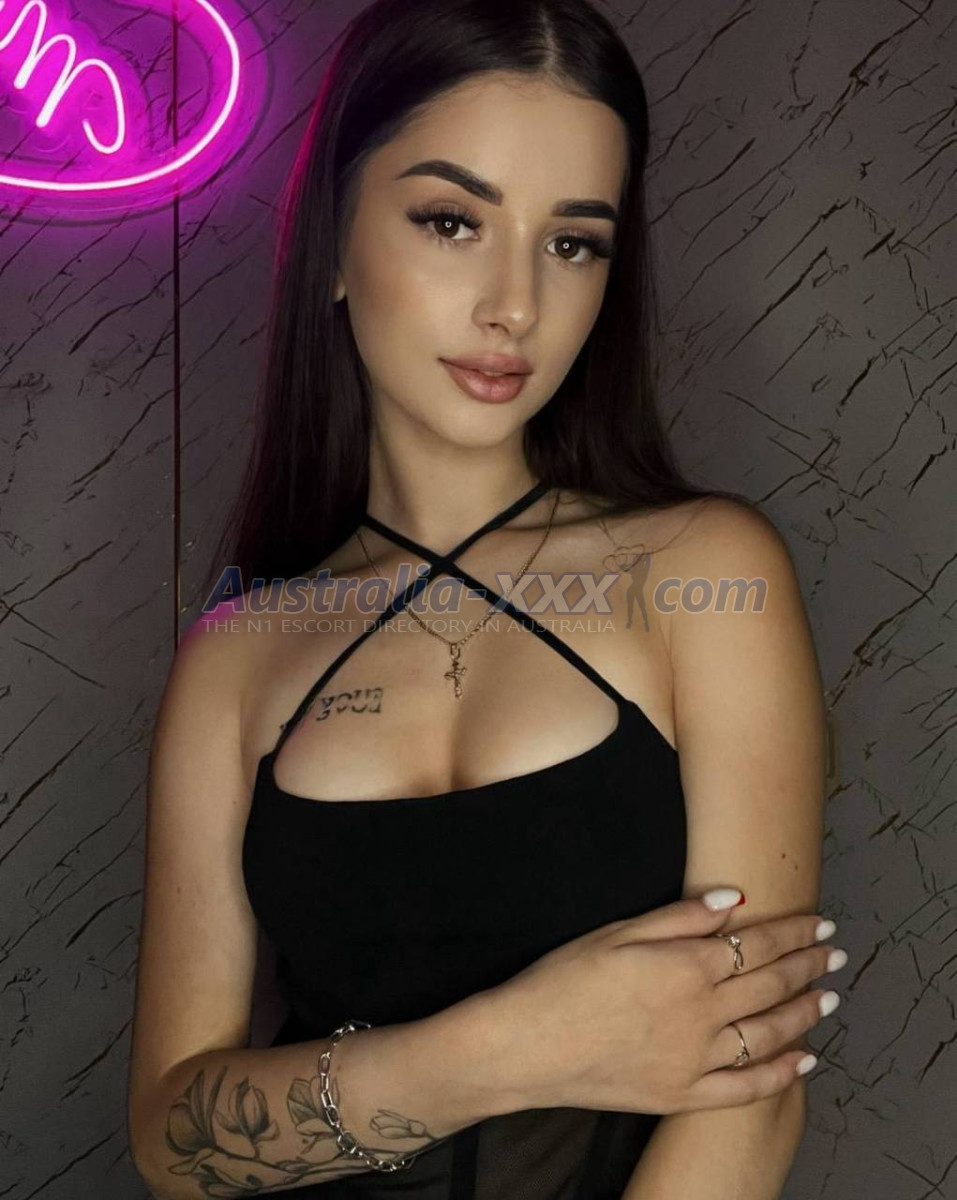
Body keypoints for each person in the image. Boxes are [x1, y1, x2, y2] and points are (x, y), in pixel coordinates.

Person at [127, 0, 846, 1196]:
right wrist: (512, 1047)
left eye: (573, 243)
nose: (515, 304)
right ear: (334, 244)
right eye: (453, 221)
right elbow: (171, 1139)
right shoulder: (237, 656)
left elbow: (755, 1090)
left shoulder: (702, 576)